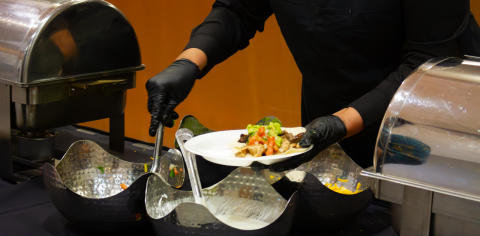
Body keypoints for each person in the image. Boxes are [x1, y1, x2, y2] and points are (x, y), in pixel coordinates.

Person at [147, 0, 478, 171]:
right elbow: (237, 11)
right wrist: (188, 63)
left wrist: (343, 121)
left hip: (433, 124)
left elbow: (427, 61)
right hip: (329, 114)